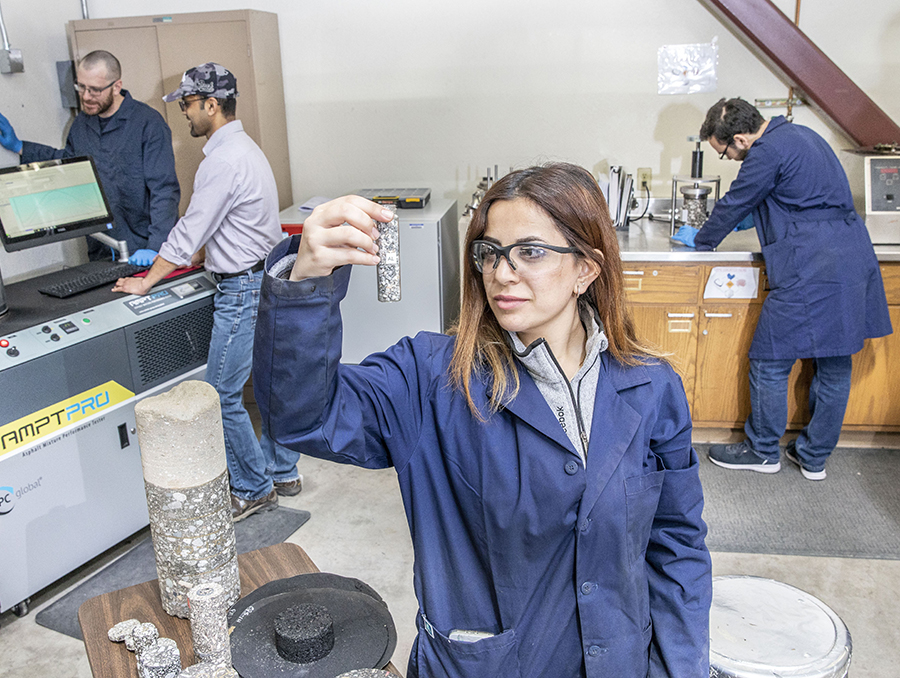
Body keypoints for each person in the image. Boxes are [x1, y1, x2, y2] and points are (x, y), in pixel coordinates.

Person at [253, 163, 712, 677]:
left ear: (586, 269)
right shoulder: (431, 378)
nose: (501, 272)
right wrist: (305, 283)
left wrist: (679, 666)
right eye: (490, 253)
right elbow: (301, 416)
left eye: (530, 252)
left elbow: (676, 545)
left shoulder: (651, 387)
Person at [111, 62, 302, 520]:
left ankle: (254, 488)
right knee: (270, 386)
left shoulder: (222, 160)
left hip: (241, 291)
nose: (185, 115)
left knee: (219, 394)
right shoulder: (246, 149)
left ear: (211, 105)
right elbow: (235, 224)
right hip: (265, 278)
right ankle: (281, 470)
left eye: (188, 105)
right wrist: (202, 257)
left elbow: (189, 229)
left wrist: (147, 279)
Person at [673, 97, 892, 480]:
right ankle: (813, 457)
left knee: (769, 360)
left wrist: (702, 240)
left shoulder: (765, 151)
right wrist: (749, 218)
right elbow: (798, 196)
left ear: (740, 139)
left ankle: (761, 451)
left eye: (725, 153)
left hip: (812, 263)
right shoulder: (803, 135)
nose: (731, 159)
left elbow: (736, 201)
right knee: (835, 361)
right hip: (851, 253)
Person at [0, 50, 179, 264]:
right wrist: (21, 147)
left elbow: (164, 191)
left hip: (144, 251)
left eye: (94, 90)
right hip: (102, 252)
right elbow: (68, 164)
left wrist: (157, 247)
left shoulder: (148, 124)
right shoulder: (81, 125)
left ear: (116, 86)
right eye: (81, 87)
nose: (85, 96)